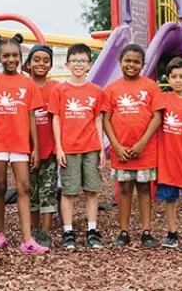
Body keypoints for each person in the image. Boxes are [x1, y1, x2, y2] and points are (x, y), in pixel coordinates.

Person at [0, 33, 50, 254]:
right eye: (6, 56)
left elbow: (32, 116)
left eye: (15, 55)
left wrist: (35, 147)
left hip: (20, 142)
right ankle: (0, 234)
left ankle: (27, 239)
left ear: (20, 56)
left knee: (24, 186)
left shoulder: (28, 83)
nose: (11, 59)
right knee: (0, 186)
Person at [102, 43, 164, 248]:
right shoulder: (112, 89)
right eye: (128, 60)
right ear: (120, 63)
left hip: (144, 151)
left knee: (145, 189)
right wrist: (116, 146)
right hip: (122, 152)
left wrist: (142, 143)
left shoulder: (151, 86)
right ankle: (123, 231)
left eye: (136, 61)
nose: (132, 64)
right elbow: (106, 120)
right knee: (125, 189)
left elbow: (157, 117)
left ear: (143, 64)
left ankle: (146, 231)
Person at [48, 43, 106, 249]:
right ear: (67, 64)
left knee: (91, 190)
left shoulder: (96, 91)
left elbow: (98, 120)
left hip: (90, 146)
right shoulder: (60, 89)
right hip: (69, 148)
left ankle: (92, 230)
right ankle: (68, 231)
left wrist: (101, 148)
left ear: (89, 65)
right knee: (69, 192)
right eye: (74, 61)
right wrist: (59, 147)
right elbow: (55, 119)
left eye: (83, 61)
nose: (78, 64)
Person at [23, 45, 59, 247]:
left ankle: (45, 232)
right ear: (28, 63)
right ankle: (33, 229)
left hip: (50, 148)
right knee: (30, 190)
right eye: (36, 59)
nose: (41, 64)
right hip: (26, 149)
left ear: (51, 65)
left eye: (46, 60)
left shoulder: (55, 87)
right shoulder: (25, 87)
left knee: (48, 190)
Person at [156, 57, 182, 249]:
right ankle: (172, 232)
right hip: (168, 160)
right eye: (173, 76)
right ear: (168, 79)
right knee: (170, 198)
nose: (178, 80)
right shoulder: (163, 99)